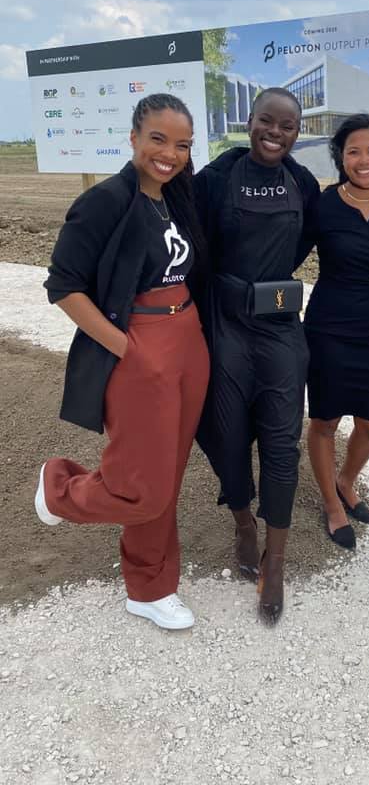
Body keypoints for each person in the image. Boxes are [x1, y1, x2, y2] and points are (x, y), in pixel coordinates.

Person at [35, 93, 209, 631]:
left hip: (189, 337)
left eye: (181, 144)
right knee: (142, 485)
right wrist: (125, 348)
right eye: (158, 139)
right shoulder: (107, 199)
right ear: (133, 137)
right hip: (140, 343)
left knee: (168, 477)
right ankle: (60, 490)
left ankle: (149, 587)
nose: (170, 153)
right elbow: (63, 287)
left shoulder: (176, 197)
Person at [193, 87, 319, 623]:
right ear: (250, 122)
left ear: (296, 132)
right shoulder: (217, 179)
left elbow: (303, 243)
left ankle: (278, 560)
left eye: (287, 126)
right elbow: (193, 243)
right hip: (226, 325)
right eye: (267, 121)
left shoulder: (303, 182)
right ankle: (243, 520)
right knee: (224, 431)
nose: (276, 132)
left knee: (281, 440)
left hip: (280, 328)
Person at [304, 114, 369, 550]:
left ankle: (347, 479)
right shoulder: (323, 205)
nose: (364, 161)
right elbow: (286, 251)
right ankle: (331, 502)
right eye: (353, 152)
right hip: (327, 322)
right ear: (341, 157)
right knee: (325, 419)